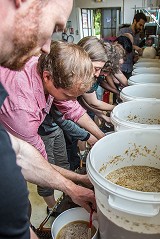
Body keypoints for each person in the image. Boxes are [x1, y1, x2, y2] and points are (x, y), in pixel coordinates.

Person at [0, 1, 95, 239]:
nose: (46, 47)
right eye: (55, 27)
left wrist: (78, 182)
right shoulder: (21, 107)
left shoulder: (45, 70)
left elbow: (21, 154)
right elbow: (34, 158)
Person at [0, 41, 97, 210]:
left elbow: (72, 107)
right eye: (67, 95)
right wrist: (78, 181)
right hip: (9, 138)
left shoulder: (47, 69)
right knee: (18, 204)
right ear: (47, 77)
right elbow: (36, 162)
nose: (70, 101)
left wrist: (102, 138)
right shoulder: (23, 109)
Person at [117, 12, 147, 78]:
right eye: (140, 25)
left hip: (130, 66)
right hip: (122, 67)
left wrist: (135, 56)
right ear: (135, 21)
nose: (141, 28)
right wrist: (134, 47)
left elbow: (132, 52)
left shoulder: (137, 35)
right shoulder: (123, 31)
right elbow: (118, 46)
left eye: (143, 26)